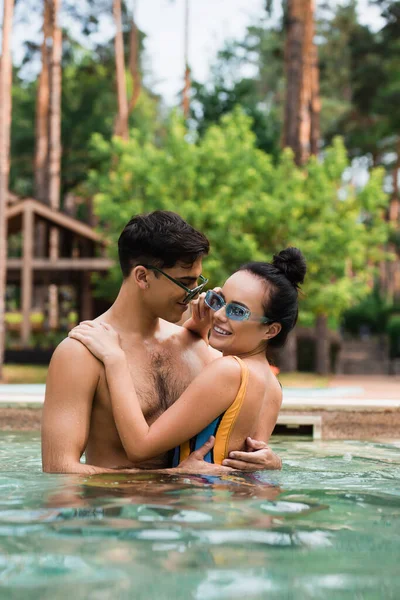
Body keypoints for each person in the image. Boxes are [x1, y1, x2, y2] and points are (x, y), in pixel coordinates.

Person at [42, 211, 281, 474]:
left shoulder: (196, 345)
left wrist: (269, 462)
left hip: (185, 511)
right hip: (117, 510)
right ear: (142, 277)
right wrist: (170, 476)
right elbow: (59, 470)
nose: (195, 293)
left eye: (198, 282)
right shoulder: (80, 353)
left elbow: (239, 422)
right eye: (184, 282)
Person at [68, 247, 306, 466]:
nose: (219, 315)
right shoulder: (273, 387)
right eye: (220, 301)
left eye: (238, 311)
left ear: (271, 330)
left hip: (201, 504)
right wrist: (199, 327)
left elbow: (140, 447)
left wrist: (115, 359)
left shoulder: (228, 371)